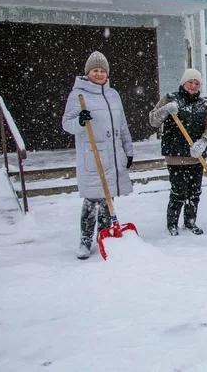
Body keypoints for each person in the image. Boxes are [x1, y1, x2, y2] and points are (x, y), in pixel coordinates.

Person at [62, 51, 134, 260]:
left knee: (107, 198)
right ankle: (85, 240)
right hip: (92, 154)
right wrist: (80, 122)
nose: (99, 73)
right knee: (92, 199)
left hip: (112, 154)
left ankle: (103, 234)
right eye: (95, 70)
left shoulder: (113, 95)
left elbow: (122, 125)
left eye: (102, 70)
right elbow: (67, 124)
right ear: (87, 73)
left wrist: (128, 150)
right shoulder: (78, 95)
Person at [149, 68, 207, 236]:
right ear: (183, 83)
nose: (192, 86)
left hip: (196, 157)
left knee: (194, 193)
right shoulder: (170, 99)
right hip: (176, 156)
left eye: (196, 83)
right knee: (179, 192)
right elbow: (153, 120)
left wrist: (202, 142)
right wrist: (165, 110)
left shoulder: (203, 104)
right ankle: (172, 224)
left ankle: (190, 222)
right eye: (190, 82)